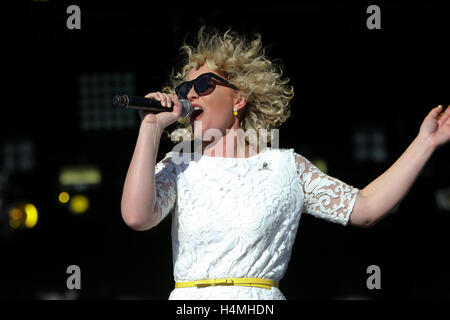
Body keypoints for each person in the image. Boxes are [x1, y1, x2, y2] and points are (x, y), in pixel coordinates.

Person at [120, 27, 450, 300]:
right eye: (185, 88)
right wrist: (151, 127)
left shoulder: (285, 167)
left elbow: (366, 208)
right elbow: (137, 217)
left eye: (204, 85)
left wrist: (426, 142)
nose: (190, 95)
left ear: (239, 98)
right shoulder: (180, 163)